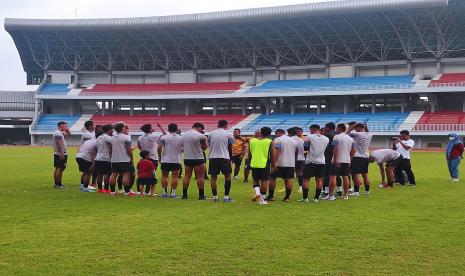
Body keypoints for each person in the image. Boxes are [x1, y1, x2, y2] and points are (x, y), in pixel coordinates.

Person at [325, 123, 355, 201]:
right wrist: (350, 159)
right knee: (345, 177)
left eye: (337, 128)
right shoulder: (350, 138)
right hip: (346, 160)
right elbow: (354, 150)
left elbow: (336, 149)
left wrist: (335, 160)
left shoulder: (336, 137)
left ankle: (331, 195)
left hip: (337, 160)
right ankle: (345, 195)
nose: (336, 130)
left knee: (333, 177)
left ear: (340, 128)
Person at [300, 124, 329, 203]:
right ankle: (316, 198)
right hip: (321, 162)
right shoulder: (326, 138)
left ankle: (305, 198)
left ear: (312, 129)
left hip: (310, 161)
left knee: (306, 179)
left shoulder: (309, 137)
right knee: (319, 180)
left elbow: (305, 148)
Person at [208, 120, 235, 203]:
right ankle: (226, 197)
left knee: (213, 177)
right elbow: (230, 147)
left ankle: (215, 197)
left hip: (213, 157)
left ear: (218, 125)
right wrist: (231, 158)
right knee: (227, 176)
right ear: (226, 125)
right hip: (224, 157)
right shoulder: (229, 134)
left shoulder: (211, 134)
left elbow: (209, 143)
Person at [269, 128, 298, 202]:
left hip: (279, 163)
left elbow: (277, 151)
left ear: (278, 133)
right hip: (290, 163)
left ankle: (271, 196)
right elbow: (296, 152)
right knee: (288, 179)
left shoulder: (278, 140)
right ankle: (287, 197)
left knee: (272, 178)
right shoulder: (294, 141)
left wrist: (274, 163)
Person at [181, 122, 208, 200]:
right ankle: (201, 195)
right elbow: (205, 147)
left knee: (187, 176)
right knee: (200, 177)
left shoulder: (184, 135)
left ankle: (185, 195)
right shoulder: (201, 136)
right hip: (198, 158)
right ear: (199, 128)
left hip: (187, 158)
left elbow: (182, 146)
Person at [109, 123, 137, 196]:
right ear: (122, 128)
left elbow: (110, 149)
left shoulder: (112, 138)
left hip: (114, 159)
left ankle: (112, 191)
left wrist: (111, 157)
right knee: (126, 175)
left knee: (113, 174)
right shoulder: (126, 137)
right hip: (124, 159)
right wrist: (131, 157)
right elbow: (128, 149)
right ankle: (127, 192)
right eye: (124, 127)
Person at [138, 122, 166, 196]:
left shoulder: (140, 137)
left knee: (143, 174)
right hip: (153, 157)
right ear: (149, 129)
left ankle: (142, 191)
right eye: (151, 127)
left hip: (143, 158)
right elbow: (165, 135)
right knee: (151, 175)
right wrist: (161, 127)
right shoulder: (153, 136)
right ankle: (148, 191)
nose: (153, 128)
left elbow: (140, 147)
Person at [248, 127, 274, 205]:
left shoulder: (251, 141)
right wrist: (273, 165)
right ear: (269, 134)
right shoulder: (270, 142)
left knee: (255, 180)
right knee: (264, 181)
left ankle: (257, 192)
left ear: (261, 132)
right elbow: (272, 155)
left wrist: (249, 162)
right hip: (264, 164)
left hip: (254, 163)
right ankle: (262, 200)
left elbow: (249, 154)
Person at [157, 123, 183, 198]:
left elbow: (159, 148)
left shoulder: (164, 137)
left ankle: (164, 193)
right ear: (177, 129)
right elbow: (183, 148)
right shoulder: (181, 138)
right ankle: (173, 193)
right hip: (176, 160)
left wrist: (159, 156)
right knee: (175, 177)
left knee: (164, 176)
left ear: (168, 129)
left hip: (165, 159)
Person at [347, 123, 373, 196]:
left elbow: (348, 132)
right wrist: (366, 126)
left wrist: (354, 125)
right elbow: (367, 132)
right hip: (366, 157)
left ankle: (356, 192)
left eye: (356, 128)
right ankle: (367, 191)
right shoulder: (369, 134)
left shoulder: (357, 134)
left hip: (357, 157)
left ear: (357, 128)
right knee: (365, 175)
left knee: (355, 174)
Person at [321, 123, 343, 197]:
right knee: (337, 175)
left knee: (326, 174)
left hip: (328, 156)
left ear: (328, 128)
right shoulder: (337, 135)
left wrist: (323, 134)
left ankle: (326, 191)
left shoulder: (328, 135)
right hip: (338, 157)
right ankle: (339, 189)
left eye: (325, 127)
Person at [94, 124, 113, 193]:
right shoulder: (108, 137)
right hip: (106, 158)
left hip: (98, 158)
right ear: (109, 130)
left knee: (99, 174)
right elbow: (113, 144)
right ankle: (106, 189)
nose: (112, 131)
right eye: (112, 129)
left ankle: (99, 189)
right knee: (106, 174)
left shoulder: (98, 137)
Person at [53, 121, 70, 189]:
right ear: (61, 126)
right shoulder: (58, 133)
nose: (67, 127)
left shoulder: (59, 133)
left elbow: (69, 134)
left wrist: (67, 130)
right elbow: (58, 143)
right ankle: (59, 184)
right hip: (61, 153)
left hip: (58, 153)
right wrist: (61, 153)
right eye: (66, 126)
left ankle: (57, 184)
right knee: (60, 169)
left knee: (57, 168)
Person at [81, 120, 97, 189]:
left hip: (87, 154)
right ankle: (84, 186)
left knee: (86, 171)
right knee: (88, 171)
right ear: (90, 126)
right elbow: (87, 145)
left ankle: (83, 185)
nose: (95, 126)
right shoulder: (87, 134)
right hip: (87, 154)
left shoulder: (91, 133)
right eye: (93, 125)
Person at [289, 127, 305, 194]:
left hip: (293, 158)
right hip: (301, 158)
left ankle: (288, 187)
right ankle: (300, 187)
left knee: (289, 174)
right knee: (299, 173)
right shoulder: (301, 140)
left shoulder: (290, 139)